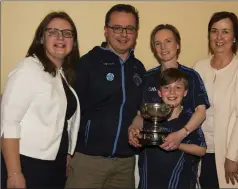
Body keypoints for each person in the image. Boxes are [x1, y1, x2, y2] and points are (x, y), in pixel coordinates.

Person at [65, 4, 146, 189]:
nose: (124, 34)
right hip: (87, 161)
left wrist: (140, 118)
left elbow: (142, 109)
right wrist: (66, 153)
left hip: (125, 164)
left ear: (136, 33)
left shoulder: (139, 69)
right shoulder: (88, 63)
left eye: (130, 29)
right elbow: (69, 112)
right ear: (106, 31)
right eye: (117, 28)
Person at [1, 11, 80, 188]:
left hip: (54, 165)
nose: (60, 37)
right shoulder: (28, 69)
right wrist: (14, 173)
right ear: (42, 38)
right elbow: (8, 123)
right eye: (53, 31)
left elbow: (60, 122)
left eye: (67, 33)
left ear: (73, 42)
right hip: (28, 165)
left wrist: (66, 156)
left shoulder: (60, 74)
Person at [193, 11, 238, 188]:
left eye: (225, 31)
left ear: (235, 37)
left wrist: (231, 158)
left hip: (232, 155)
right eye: (214, 31)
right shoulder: (199, 67)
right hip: (204, 152)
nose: (219, 37)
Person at [128, 24, 209, 152]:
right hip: (150, 154)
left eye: (168, 41)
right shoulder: (148, 77)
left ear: (178, 45)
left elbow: (201, 112)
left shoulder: (191, 76)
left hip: (182, 153)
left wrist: (181, 134)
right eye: (158, 43)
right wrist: (134, 128)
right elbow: (140, 114)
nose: (163, 47)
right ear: (154, 48)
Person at [133, 68, 206, 189]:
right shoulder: (150, 117)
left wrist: (178, 145)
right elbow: (140, 140)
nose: (172, 92)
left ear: (185, 92)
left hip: (180, 183)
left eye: (178, 87)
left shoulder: (189, 120)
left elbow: (201, 150)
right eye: (166, 88)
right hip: (148, 183)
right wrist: (136, 138)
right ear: (159, 93)